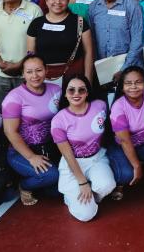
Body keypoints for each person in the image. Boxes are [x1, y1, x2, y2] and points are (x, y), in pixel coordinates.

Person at [51, 74, 115, 222]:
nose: (76, 94)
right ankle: (71, 197)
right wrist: (82, 182)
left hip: (97, 159)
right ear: (65, 94)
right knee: (87, 215)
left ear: (87, 92)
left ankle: (88, 196)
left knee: (107, 185)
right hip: (73, 163)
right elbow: (67, 155)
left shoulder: (100, 106)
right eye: (71, 90)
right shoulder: (59, 120)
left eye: (81, 90)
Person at [2, 56, 62, 205]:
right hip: (23, 151)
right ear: (23, 73)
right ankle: (23, 185)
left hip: (50, 148)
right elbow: (10, 132)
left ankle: (40, 182)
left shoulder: (56, 90)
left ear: (46, 70)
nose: (34, 76)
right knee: (52, 176)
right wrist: (31, 157)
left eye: (39, 70)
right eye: (29, 72)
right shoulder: (14, 97)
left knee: (58, 190)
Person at [106, 67, 144, 200]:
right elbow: (125, 141)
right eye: (128, 83)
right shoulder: (118, 107)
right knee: (126, 174)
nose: (133, 86)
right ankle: (120, 184)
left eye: (138, 82)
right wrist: (137, 166)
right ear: (122, 87)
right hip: (121, 146)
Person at [88, 0, 144, 85]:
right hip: (102, 70)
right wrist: (96, 66)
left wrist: (123, 69)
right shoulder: (94, 6)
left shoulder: (132, 6)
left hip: (128, 71)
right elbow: (92, 39)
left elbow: (137, 41)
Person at [27, 0, 94, 82]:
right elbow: (31, 56)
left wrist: (88, 80)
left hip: (74, 77)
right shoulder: (36, 24)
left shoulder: (79, 22)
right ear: (46, 0)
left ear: (68, 1)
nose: (57, 2)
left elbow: (89, 53)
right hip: (43, 78)